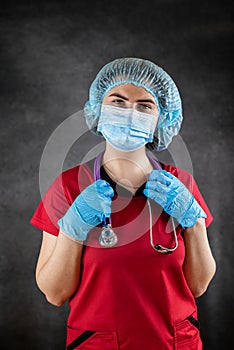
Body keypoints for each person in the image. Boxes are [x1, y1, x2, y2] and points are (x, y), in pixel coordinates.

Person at [30, 57, 216, 350]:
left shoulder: (181, 186)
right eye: (117, 101)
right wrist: (73, 227)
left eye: (145, 106)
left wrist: (194, 222)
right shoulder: (67, 188)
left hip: (174, 342)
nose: (130, 112)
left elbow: (199, 285)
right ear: (98, 110)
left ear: (161, 118)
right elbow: (55, 294)